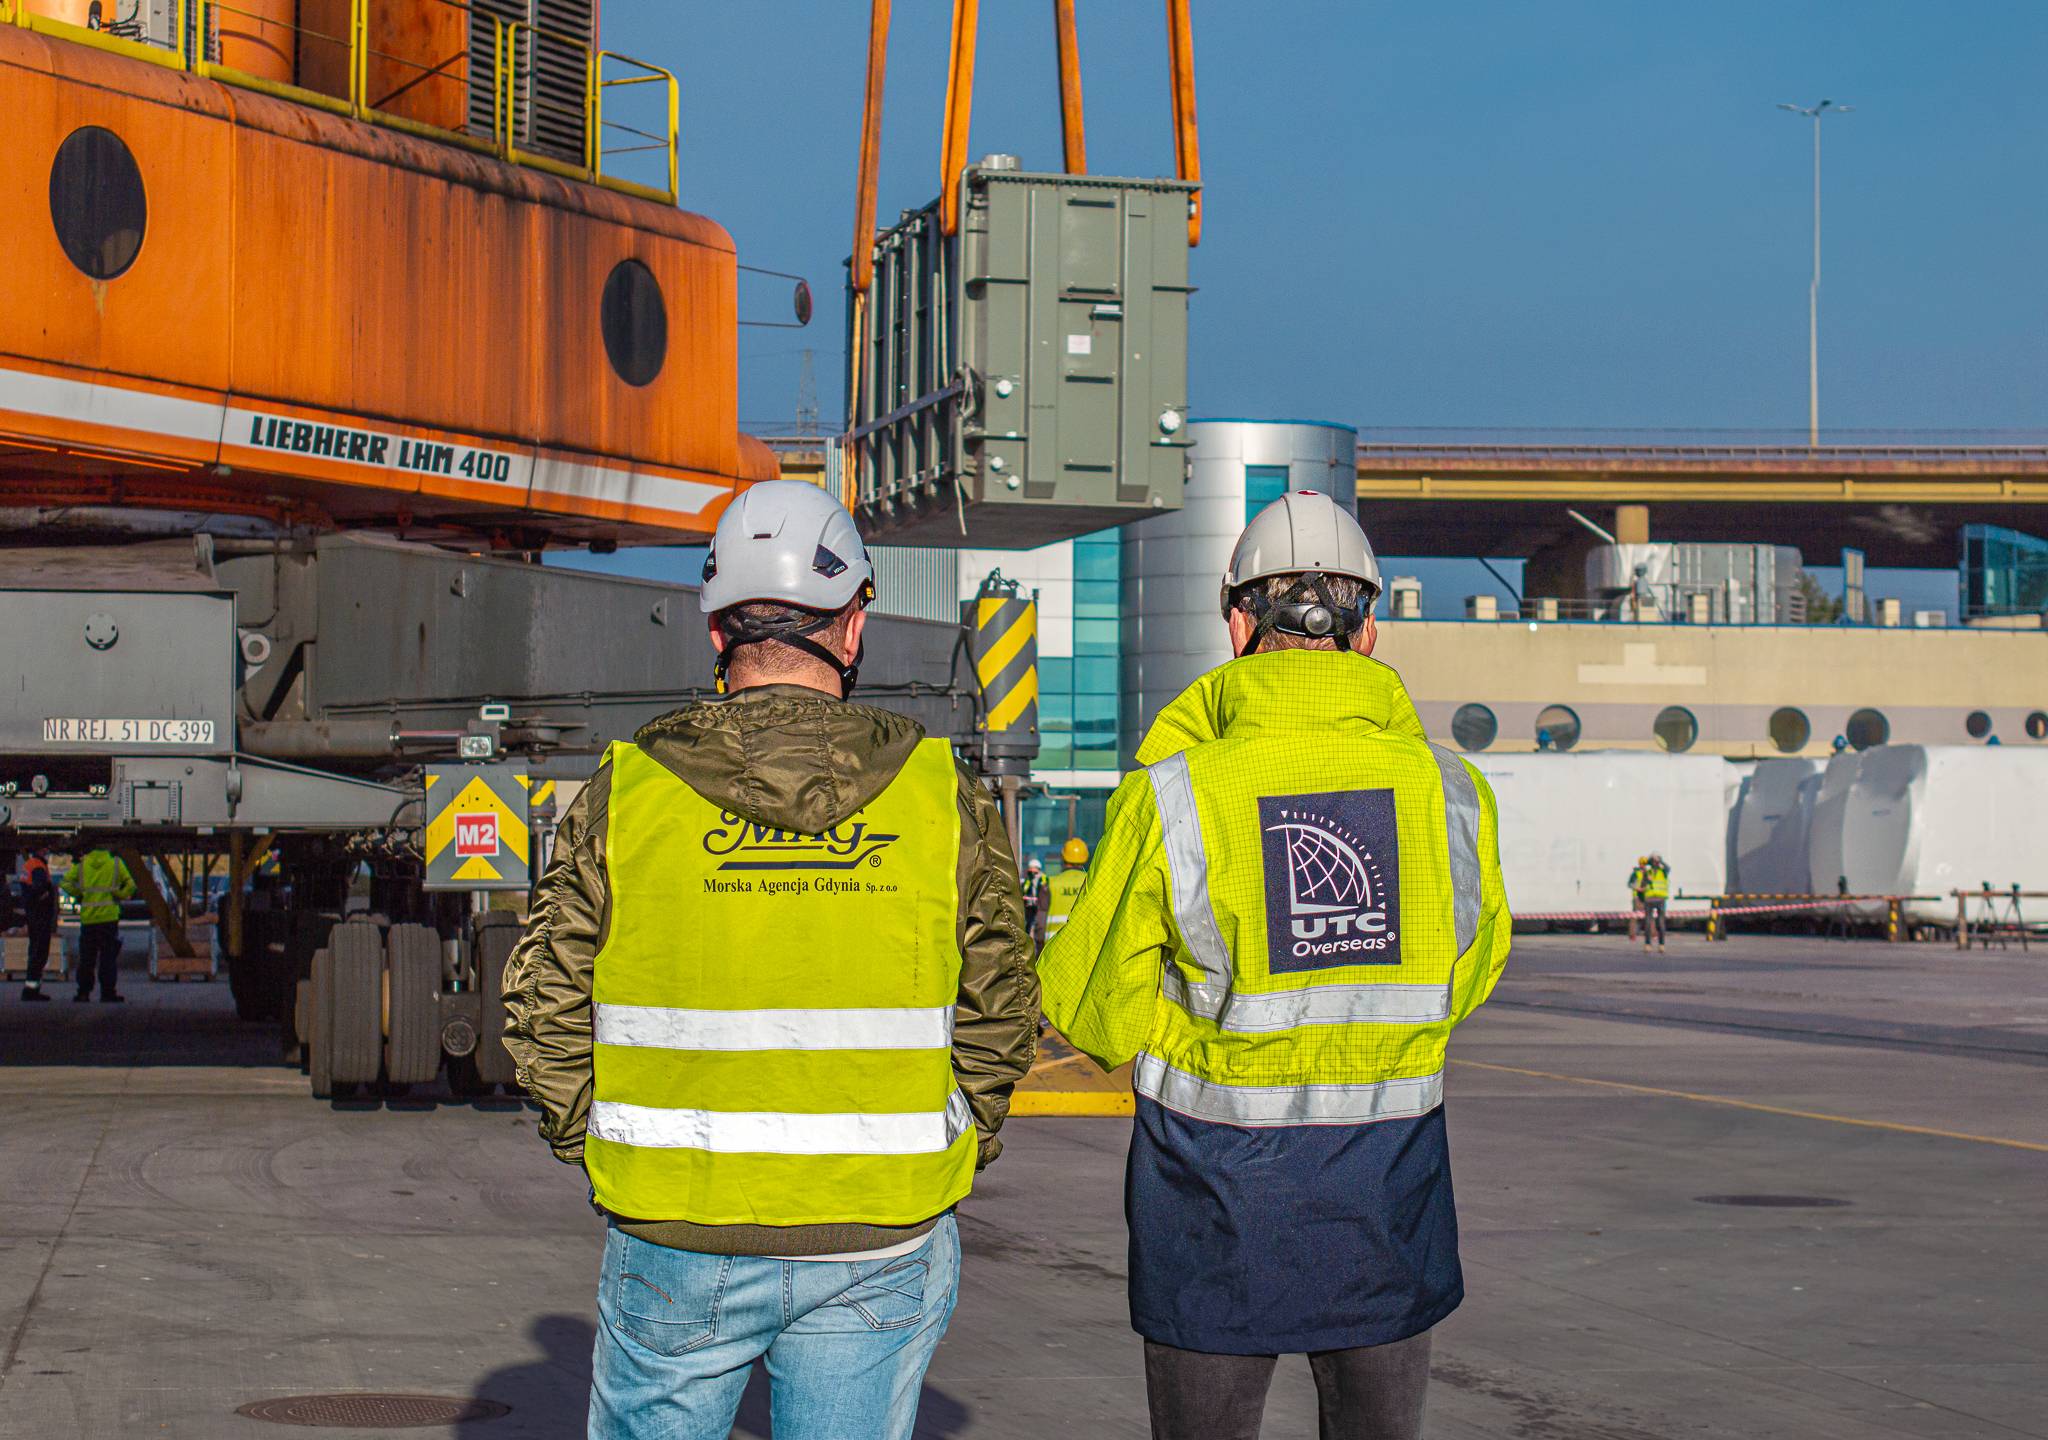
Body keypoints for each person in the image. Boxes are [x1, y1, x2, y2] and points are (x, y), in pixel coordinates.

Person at [501, 480, 1039, 1440]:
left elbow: (544, 998)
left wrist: (601, 1143)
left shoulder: (629, 791)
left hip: (676, 1229)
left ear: (717, 633)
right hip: (879, 1231)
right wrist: (954, 1142)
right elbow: (1001, 999)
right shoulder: (935, 793)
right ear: (853, 626)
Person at [1038, 490, 1512, 1440]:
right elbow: (1468, 972)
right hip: (1389, 1195)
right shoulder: (1452, 792)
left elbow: (1091, 1013)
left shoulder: (1174, 793)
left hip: (1210, 1204)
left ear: (1235, 624)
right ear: (1369, 630)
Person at [62, 847, 134, 1003]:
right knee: (108, 957)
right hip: (109, 918)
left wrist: (80, 894)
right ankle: (107, 993)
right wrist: (119, 895)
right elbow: (131, 884)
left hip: (88, 919)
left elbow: (65, 883)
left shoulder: (82, 865)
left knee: (87, 958)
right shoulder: (115, 863)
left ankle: (83, 992)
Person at [18, 848, 58, 1002]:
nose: (48, 851)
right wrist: (46, 897)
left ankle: (32, 988)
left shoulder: (31, 864)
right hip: (39, 915)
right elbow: (39, 889)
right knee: (39, 952)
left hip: (33, 915)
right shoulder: (38, 867)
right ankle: (31, 990)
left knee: (35, 950)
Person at [1044, 836, 1089, 938]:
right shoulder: (1091, 882)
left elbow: (1040, 921)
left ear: (1063, 857)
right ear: (1085, 857)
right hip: (1083, 945)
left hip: (1053, 945)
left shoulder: (1051, 883)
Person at [1641, 852, 1670, 952]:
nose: (1655, 863)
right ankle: (1647, 944)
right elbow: (1642, 884)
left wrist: (1660, 860)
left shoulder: (1663, 871)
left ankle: (1661, 945)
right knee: (1648, 923)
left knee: (1661, 923)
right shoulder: (1647, 872)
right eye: (1653, 861)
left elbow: (1668, 867)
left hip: (1660, 899)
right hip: (1649, 899)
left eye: (1656, 861)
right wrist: (1646, 880)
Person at [1022, 855, 1051, 949]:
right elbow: (1025, 889)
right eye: (1030, 870)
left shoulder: (1043, 878)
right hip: (1030, 908)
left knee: (1039, 929)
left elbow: (1044, 890)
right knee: (1029, 927)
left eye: (1034, 871)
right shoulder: (1028, 880)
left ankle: (1039, 947)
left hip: (1040, 908)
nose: (1032, 873)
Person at [1626, 855, 1648, 942]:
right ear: (1639, 864)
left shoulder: (1647, 873)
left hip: (1646, 896)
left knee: (1649, 916)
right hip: (1637, 897)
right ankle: (1632, 935)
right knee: (1634, 916)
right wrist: (1637, 888)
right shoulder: (1635, 873)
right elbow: (1629, 884)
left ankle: (1652, 934)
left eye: (1645, 863)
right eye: (1642, 863)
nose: (1643, 865)